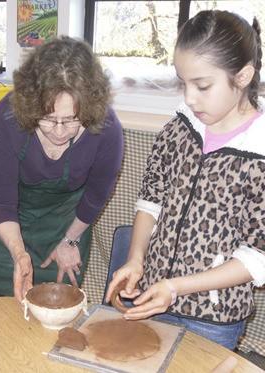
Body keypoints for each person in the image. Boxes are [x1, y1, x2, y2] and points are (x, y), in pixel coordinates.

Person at [106, 10, 265, 350]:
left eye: (202, 85)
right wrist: (136, 259)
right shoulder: (180, 129)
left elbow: (257, 258)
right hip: (155, 296)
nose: (190, 98)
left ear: (243, 76)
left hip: (214, 317)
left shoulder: (260, 154)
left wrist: (177, 287)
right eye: (183, 83)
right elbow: (151, 201)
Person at [0, 35, 124, 303]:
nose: (60, 131)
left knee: (56, 311)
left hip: (65, 226)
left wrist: (70, 241)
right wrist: (19, 253)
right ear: (31, 107)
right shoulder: (7, 117)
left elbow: (95, 197)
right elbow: (2, 202)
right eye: (49, 119)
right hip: (3, 227)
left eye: (73, 119)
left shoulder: (106, 128)